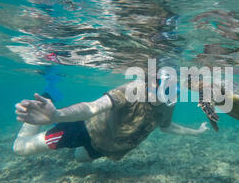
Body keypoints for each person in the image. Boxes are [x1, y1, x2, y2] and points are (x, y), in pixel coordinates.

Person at [13, 68, 209, 163]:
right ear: (150, 80)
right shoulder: (131, 90)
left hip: (105, 148)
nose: (166, 92)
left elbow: (166, 126)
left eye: (173, 88)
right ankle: (46, 98)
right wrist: (56, 115)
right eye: (161, 84)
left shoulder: (169, 104)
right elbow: (92, 108)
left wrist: (196, 133)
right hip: (85, 131)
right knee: (21, 148)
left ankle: (55, 120)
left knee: (78, 157)